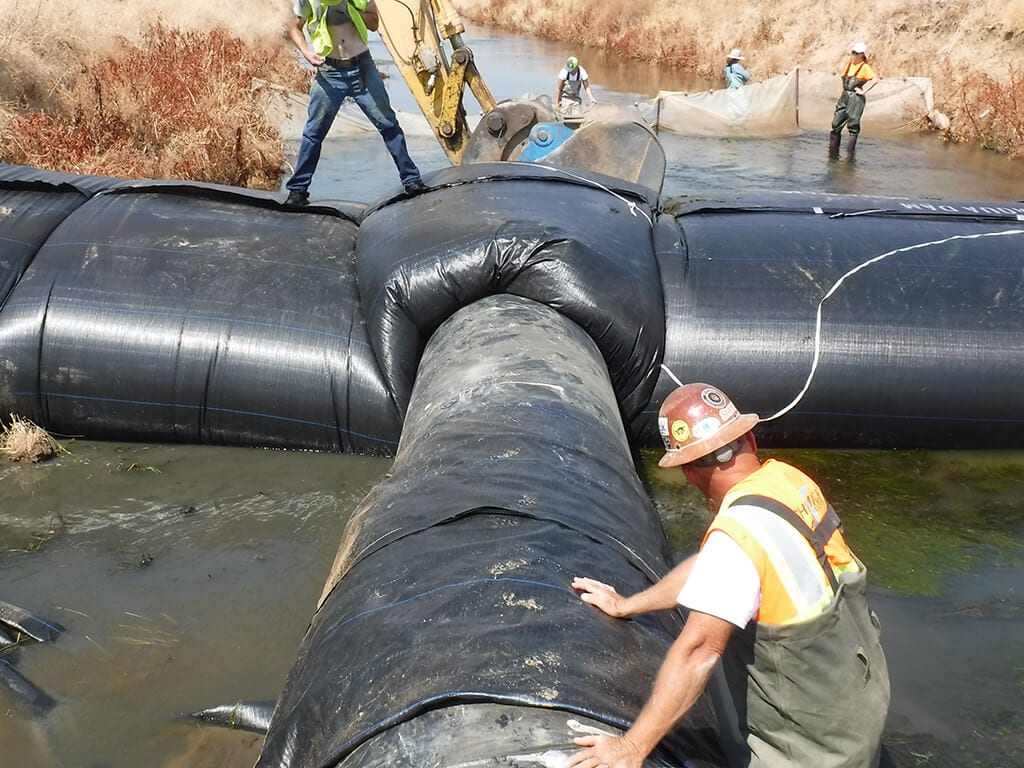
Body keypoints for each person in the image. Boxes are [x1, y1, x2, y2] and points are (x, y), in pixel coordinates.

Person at [568, 382, 890, 768]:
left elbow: (699, 653)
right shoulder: (788, 482)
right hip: (863, 708)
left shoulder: (738, 536)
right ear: (750, 440)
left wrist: (631, 749)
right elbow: (714, 568)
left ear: (688, 472)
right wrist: (629, 604)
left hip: (814, 752)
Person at [284, 0, 426, 206]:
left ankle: (411, 180)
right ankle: (297, 191)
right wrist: (306, 53)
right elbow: (295, 27)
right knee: (313, 132)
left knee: (388, 124)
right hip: (329, 71)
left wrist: (352, 12)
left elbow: (374, 23)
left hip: (362, 69)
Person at [829, 41, 878, 158]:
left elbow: (875, 80)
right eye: (853, 52)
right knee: (836, 123)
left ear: (862, 55)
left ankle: (849, 157)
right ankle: (833, 154)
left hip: (856, 99)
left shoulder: (865, 67)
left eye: (856, 53)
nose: (854, 55)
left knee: (853, 125)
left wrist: (863, 91)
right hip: (844, 96)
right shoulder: (849, 65)